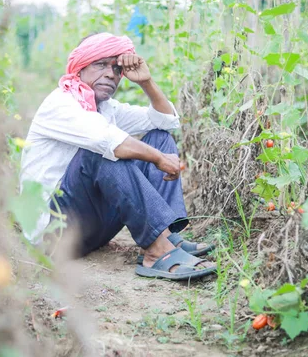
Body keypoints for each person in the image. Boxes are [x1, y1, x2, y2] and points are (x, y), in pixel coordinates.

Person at [20, 33, 215, 280]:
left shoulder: (105, 108)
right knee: (102, 153)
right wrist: (158, 159)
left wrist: (146, 82)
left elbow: (166, 121)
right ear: (80, 68)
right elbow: (108, 142)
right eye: (100, 65)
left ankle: (165, 237)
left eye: (116, 68)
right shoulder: (61, 103)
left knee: (159, 138)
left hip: (91, 230)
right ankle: (156, 253)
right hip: (54, 235)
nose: (111, 74)